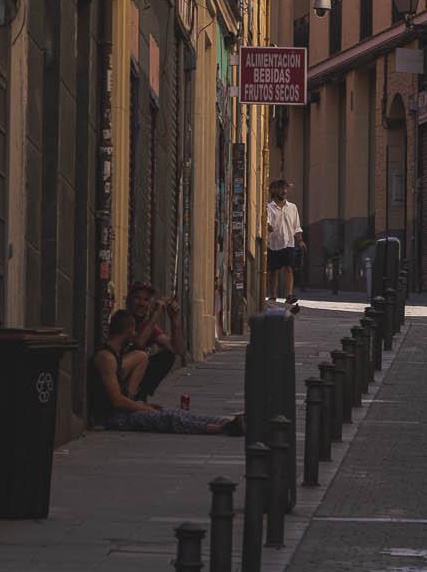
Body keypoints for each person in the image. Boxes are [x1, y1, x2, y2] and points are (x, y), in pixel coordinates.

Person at [89, 313, 240, 434]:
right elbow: (116, 400)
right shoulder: (106, 358)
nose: (135, 334)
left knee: (176, 412)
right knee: (170, 419)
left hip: (126, 411)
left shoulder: (117, 355)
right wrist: (144, 408)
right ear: (129, 330)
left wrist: (143, 404)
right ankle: (222, 429)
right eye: (134, 330)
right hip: (115, 418)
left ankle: (228, 422)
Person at [127, 282, 179, 397]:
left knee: (167, 356)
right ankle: (133, 397)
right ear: (129, 300)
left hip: (136, 374)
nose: (141, 304)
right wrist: (155, 315)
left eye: (146, 300)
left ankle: (140, 395)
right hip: (121, 375)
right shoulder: (124, 319)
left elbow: (176, 349)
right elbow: (138, 343)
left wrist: (174, 320)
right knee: (141, 355)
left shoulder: (147, 325)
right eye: (137, 298)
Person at [266, 177, 304, 310]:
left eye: (285, 188)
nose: (284, 191)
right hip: (273, 244)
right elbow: (267, 223)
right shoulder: (269, 208)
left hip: (289, 243)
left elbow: (296, 227)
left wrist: (300, 240)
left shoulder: (292, 207)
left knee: (288, 268)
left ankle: (289, 295)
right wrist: (268, 227)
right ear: (274, 191)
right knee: (273, 271)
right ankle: (273, 295)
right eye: (281, 188)